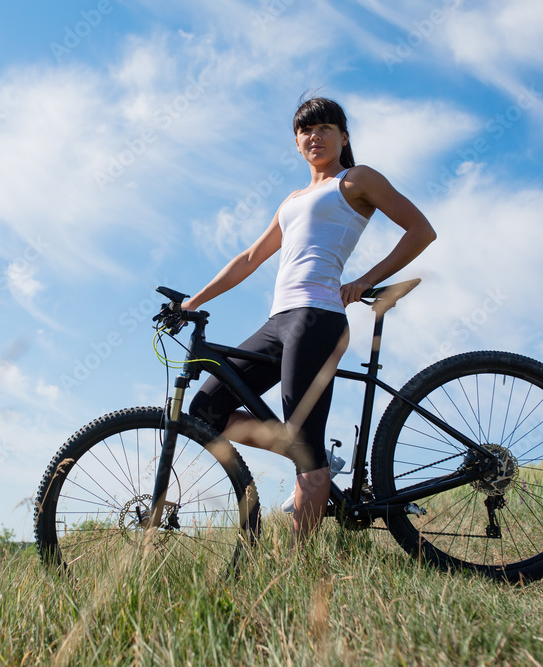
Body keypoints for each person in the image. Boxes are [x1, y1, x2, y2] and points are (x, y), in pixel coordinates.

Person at [183, 97, 436, 542]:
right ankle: (316, 461)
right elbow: (250, 258)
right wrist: (191, 303)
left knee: (306, 449)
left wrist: (365, 280)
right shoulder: (292, 200)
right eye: (306, 130)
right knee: (206, 409)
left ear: (344, 137)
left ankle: (299, 565)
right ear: (297, 142)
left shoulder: (355, 180)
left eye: (325, 128)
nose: (315, 136)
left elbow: (421, 230)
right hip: (278, 322)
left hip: (318, 317)